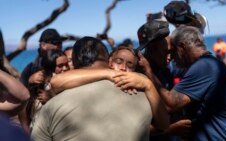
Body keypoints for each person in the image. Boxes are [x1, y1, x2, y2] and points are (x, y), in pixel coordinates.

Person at [114, 26, 226, 141]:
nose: (171, 57)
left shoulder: (204, 66)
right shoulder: (207, 63)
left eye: (172, 52)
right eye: (167, 52)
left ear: (182, 48)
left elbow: (171, 103)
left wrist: (148, 71)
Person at [31, 36, 169, 141]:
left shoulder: (52, 107)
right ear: (109, 60)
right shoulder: (139, 86)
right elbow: (164, 124)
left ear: (74, 62)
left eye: (129, 64)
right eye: (119, 61)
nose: (122, 68)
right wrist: (148, 84)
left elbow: (56, 82)